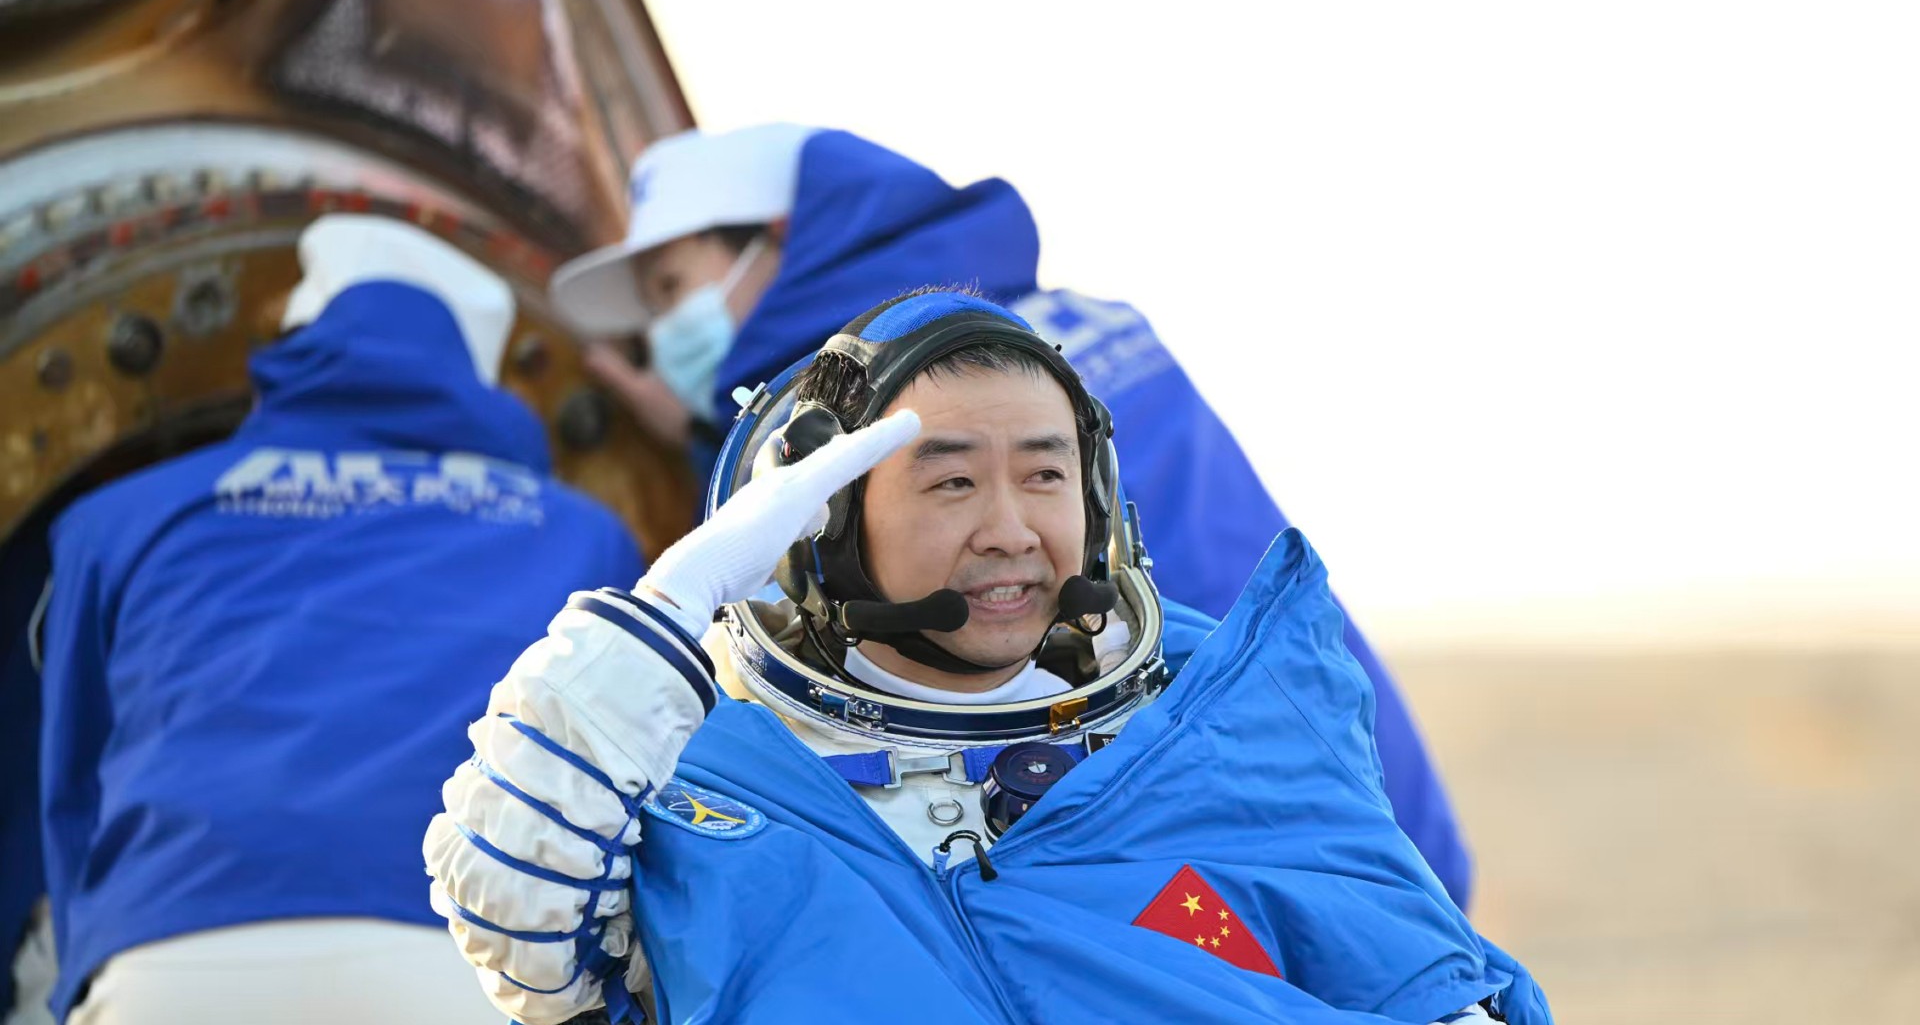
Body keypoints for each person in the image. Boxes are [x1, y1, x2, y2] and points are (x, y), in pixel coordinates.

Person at [424, 291, 1548, 1025]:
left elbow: (1426, 985)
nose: (1011, 527)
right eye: (951, 480)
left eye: (1047, 475)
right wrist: (678, 597)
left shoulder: (1219, 735)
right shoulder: (704, 796)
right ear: (822, 522)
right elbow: (514, 911)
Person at [548, 124, 1471, 904]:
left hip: (1219, 850)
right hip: (1356, 805)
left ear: (785, 240)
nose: (668, 331)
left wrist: (742, 446)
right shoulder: (1077, 333)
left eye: (675, 287)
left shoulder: (878, 423)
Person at [35, 215, 645, 1024]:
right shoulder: (586, 534)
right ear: (477, 376)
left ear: (294, 346)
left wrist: (89, 957)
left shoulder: (118, 517)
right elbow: (635, 771)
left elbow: (73, 777)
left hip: (176, 945)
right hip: (473, 965)